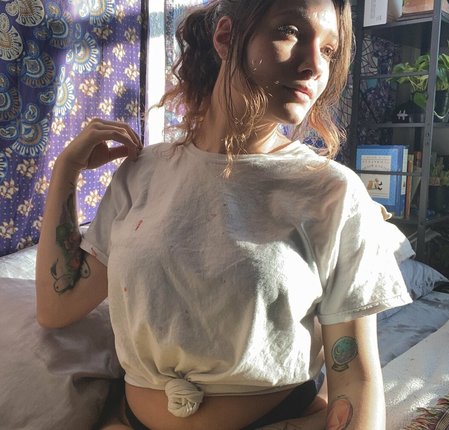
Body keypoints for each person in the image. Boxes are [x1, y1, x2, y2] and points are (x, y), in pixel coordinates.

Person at [35, 0, 412, 429]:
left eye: (329, 51)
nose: (314, 66)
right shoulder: (142, 173)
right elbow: (57, 306)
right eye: (290, 32)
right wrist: (65, 172)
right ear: (227, 37)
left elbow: (355, 379)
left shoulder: (333, 192)